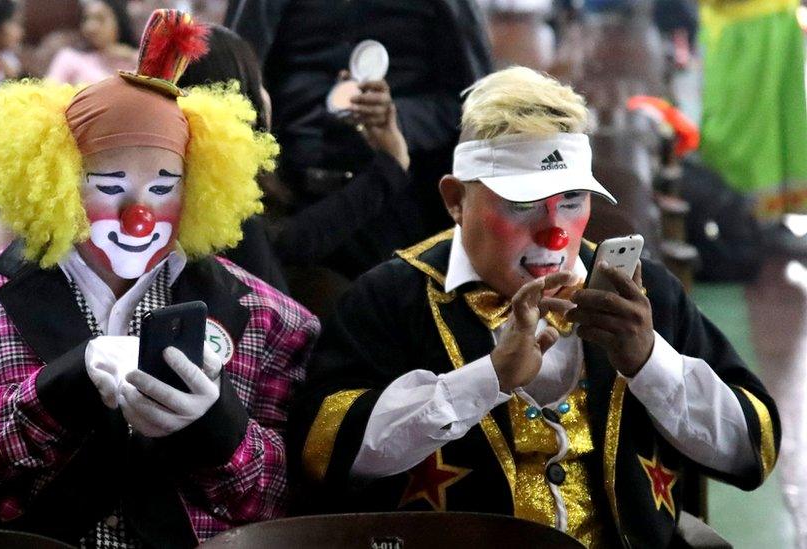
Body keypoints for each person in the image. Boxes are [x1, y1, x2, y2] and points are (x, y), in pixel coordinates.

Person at [289, 67, 780, 547]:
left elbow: (752, 450)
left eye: (571, 201)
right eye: (523, 205)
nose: (555, 234)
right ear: (456, 199)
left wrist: (653, 363)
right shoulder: (390, 299)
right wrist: (487, 379)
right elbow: (323, 454)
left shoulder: (641, 293)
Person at [0, 10, 318, 547]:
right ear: (57, 181)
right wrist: (51, 394)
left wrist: (219, 429)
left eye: (163, 189)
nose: (140, 214)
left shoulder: (274, 322)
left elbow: (287, 500)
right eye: (110, 185)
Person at [227, 0, 494, 248]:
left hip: (398, 199)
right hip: (286, 193)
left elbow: (474, 104)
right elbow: (234, 82)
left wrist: (394, 120)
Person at [177, 24, 418, 287]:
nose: (266, 96)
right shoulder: (226, 218)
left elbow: (290, 239)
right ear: (238, 99)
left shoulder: (175, 181)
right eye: (259, 83)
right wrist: (390, 167)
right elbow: (287, 245)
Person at [45, 0, 139, 85]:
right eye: (86, 19)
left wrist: (130, 55)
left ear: (119, 21)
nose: (90, 27)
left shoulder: (135, 59)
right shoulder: (69, 58)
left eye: (100, 19)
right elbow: (48, 95)